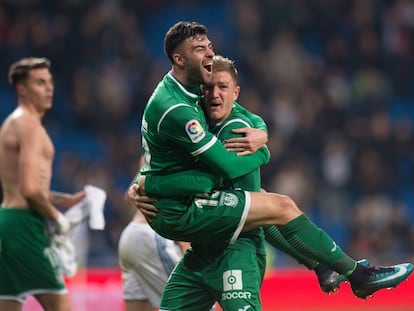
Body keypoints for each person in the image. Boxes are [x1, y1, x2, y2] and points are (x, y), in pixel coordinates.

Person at [129, 21, 412, 309]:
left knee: (265, 200)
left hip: (217, 240)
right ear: (179, 59)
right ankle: (353, 272)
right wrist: (264, 151)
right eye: (200, 50)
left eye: (210, 48)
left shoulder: (214, 105)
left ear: (236, 91)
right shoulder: (179, 107)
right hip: (181, 211)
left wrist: (262, 132)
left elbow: (244, 119)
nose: (214, 92)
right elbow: (223, 169)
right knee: (277, 205)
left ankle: (333, 268)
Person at [0, 57, 86, 311]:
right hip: (25, 225)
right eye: (40, 83)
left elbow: (22, 186)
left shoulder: (16, 123)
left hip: (9, 223)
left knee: (8, 305)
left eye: (49, 82)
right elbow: (28, 190)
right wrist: (58, 219)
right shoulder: (28, 126)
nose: (49, 88)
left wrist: (62, 200)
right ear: (22, 89)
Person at [118, 157, 191, 311]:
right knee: (195, 304)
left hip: (132, 234)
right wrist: (188, 252)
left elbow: (128, 198)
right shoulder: (190, 143)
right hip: (156, 238)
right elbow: (182, 204)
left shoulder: (151, 144)